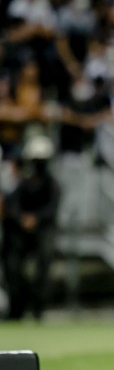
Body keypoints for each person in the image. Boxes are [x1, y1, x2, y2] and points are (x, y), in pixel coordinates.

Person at [2, 134, 60, 321]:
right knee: (13, 266)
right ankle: (17, 308)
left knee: (44, 264)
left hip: (43, 229)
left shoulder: (52, 184)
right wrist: (22, 219)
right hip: (20, 231)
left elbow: (52, 208)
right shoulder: (23, 183)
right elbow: (14, 205)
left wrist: (36, 219)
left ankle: (38, 309)